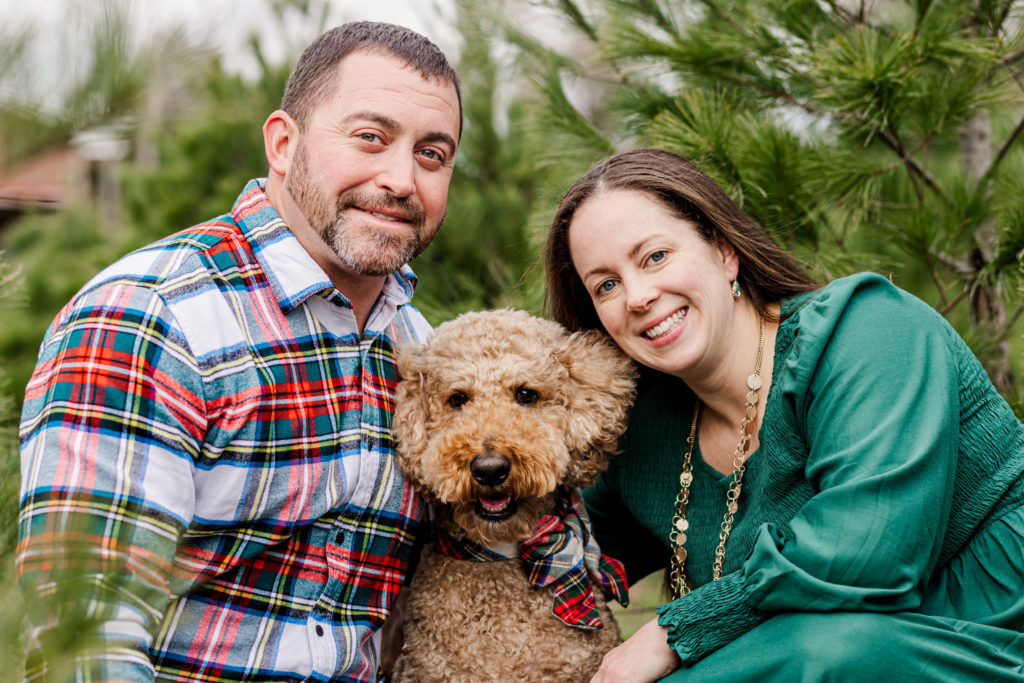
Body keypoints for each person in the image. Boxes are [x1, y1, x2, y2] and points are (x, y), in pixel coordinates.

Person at [17, 21, 461, 683]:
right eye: (371, 137)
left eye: (432, 154)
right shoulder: (150, 317)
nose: (401, 178)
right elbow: (83, 639)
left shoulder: (423, 352)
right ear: (283, 144)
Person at [544, 147, 1024, 682]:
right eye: (605, 285)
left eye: (655, 256)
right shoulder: (648, 433)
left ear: (725, 252)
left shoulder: (869, 332)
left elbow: (868, 556)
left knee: (826, 648)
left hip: (995, 637)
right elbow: (556, 554)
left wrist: (673, 630)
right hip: (824, 657)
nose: (637, 296)